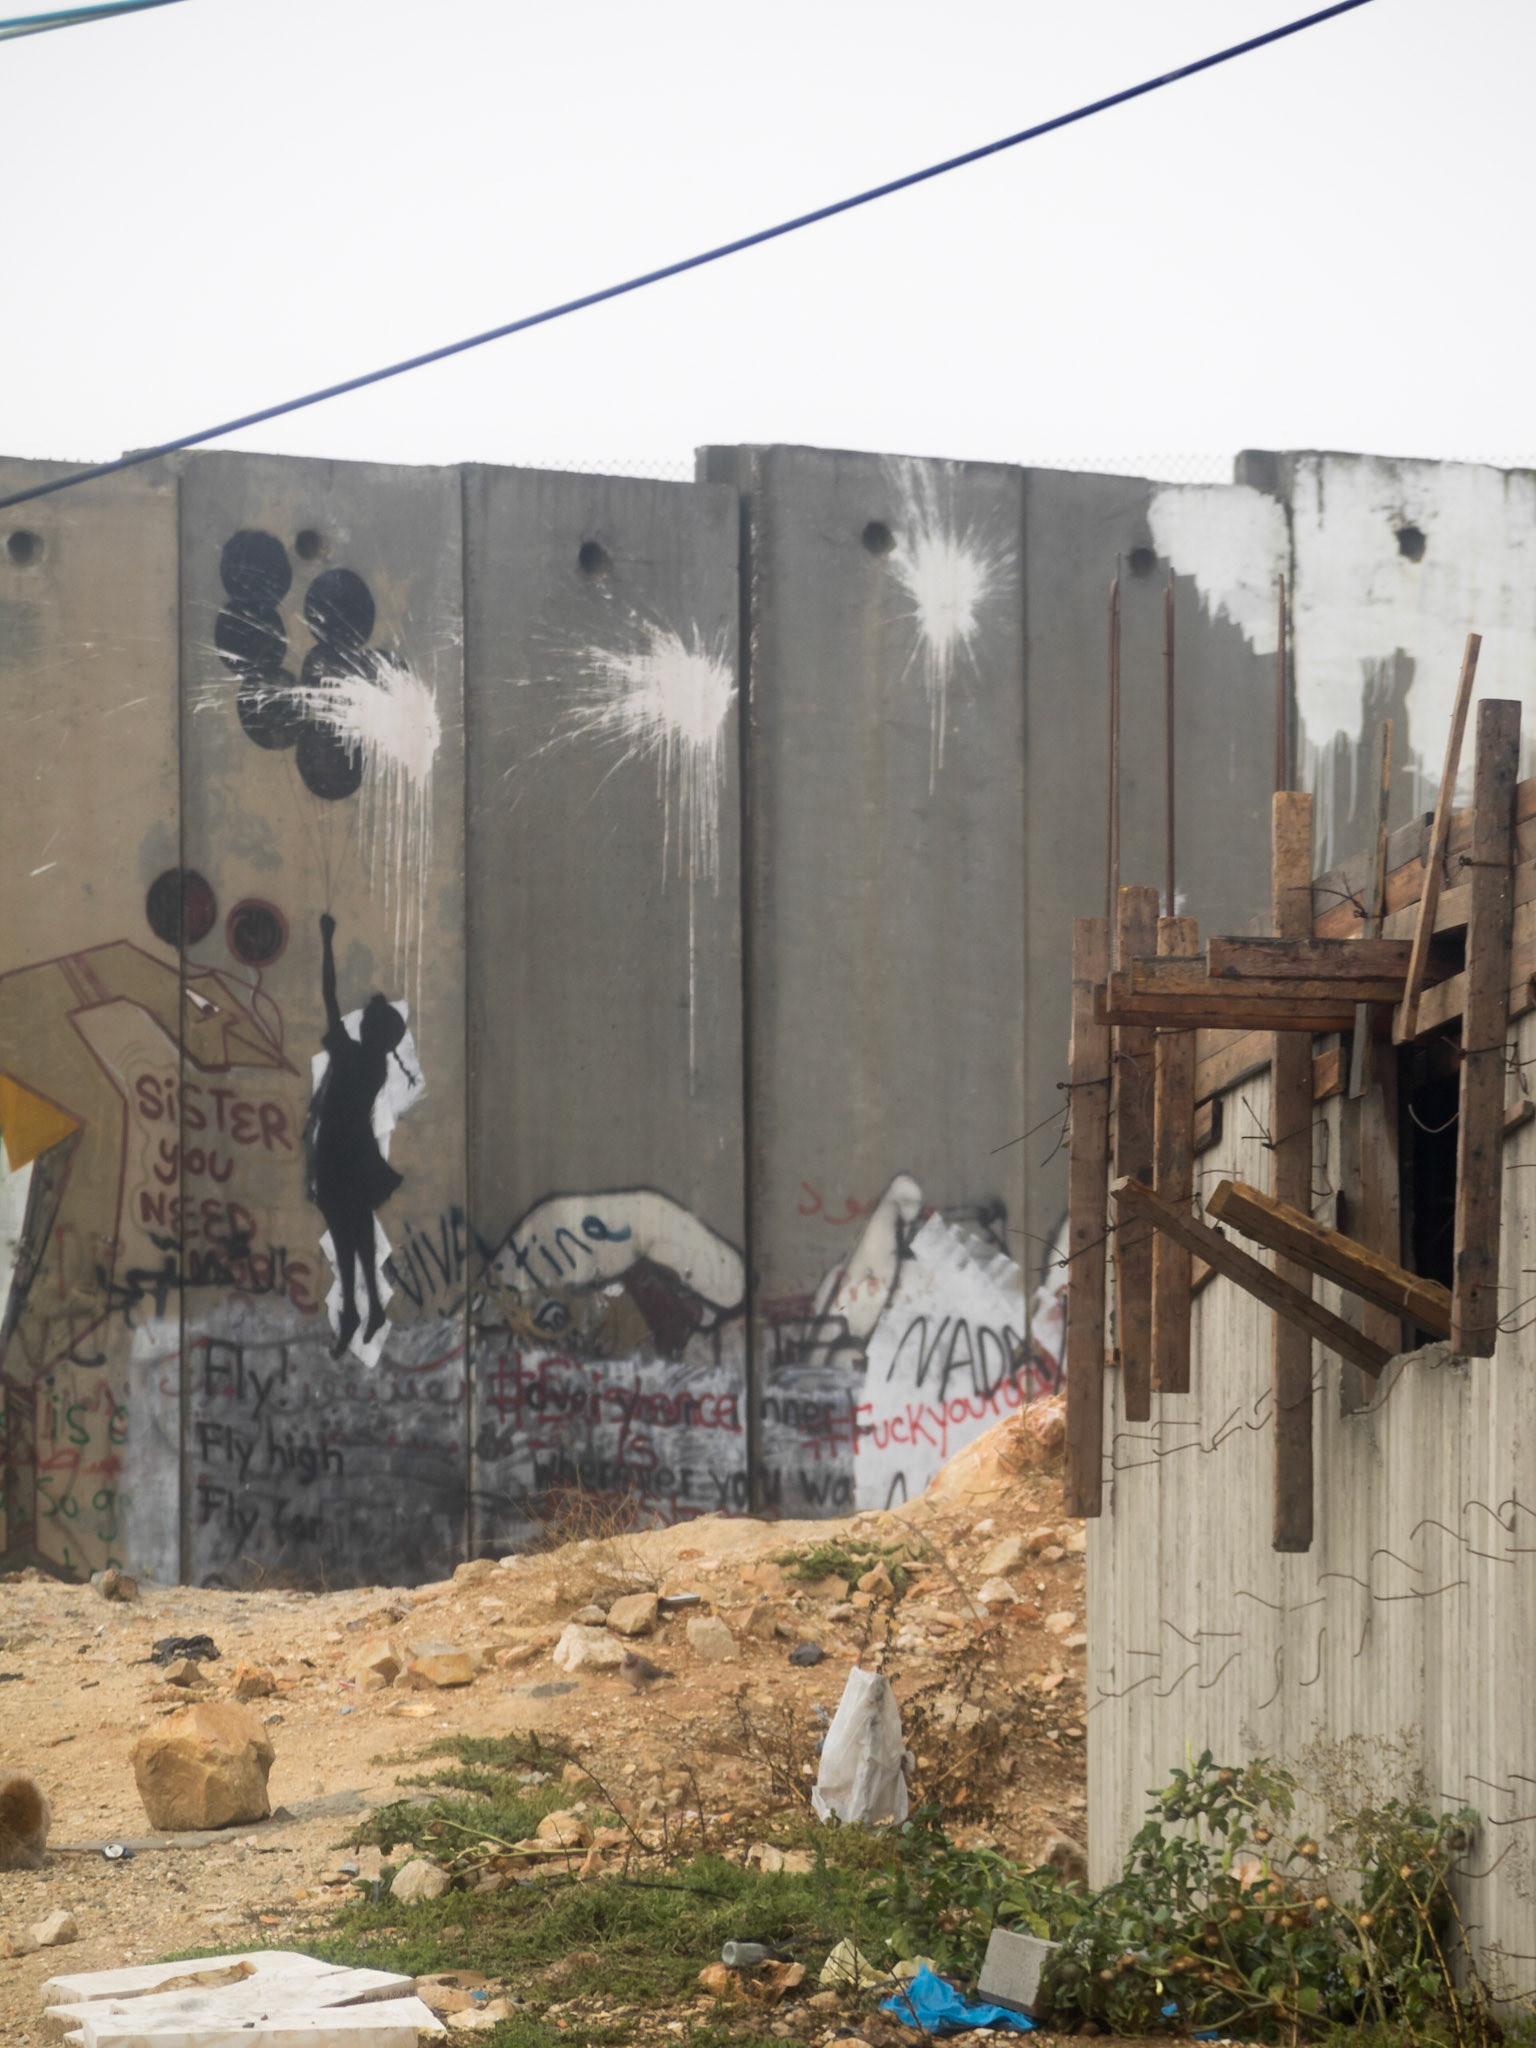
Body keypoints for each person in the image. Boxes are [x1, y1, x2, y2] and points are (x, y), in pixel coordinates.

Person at [305, 912, 408, 1356]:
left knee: (349, 1235)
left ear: (375, 1033)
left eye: (368, 1020)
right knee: (355, 1234)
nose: (362, 1020)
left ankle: (354, 1313)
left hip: (339, 1155)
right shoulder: (370, 1061)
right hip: (348, 1154)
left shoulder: (358, 1059)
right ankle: (363, 1312)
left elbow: (329, 996)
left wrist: (327, 942)